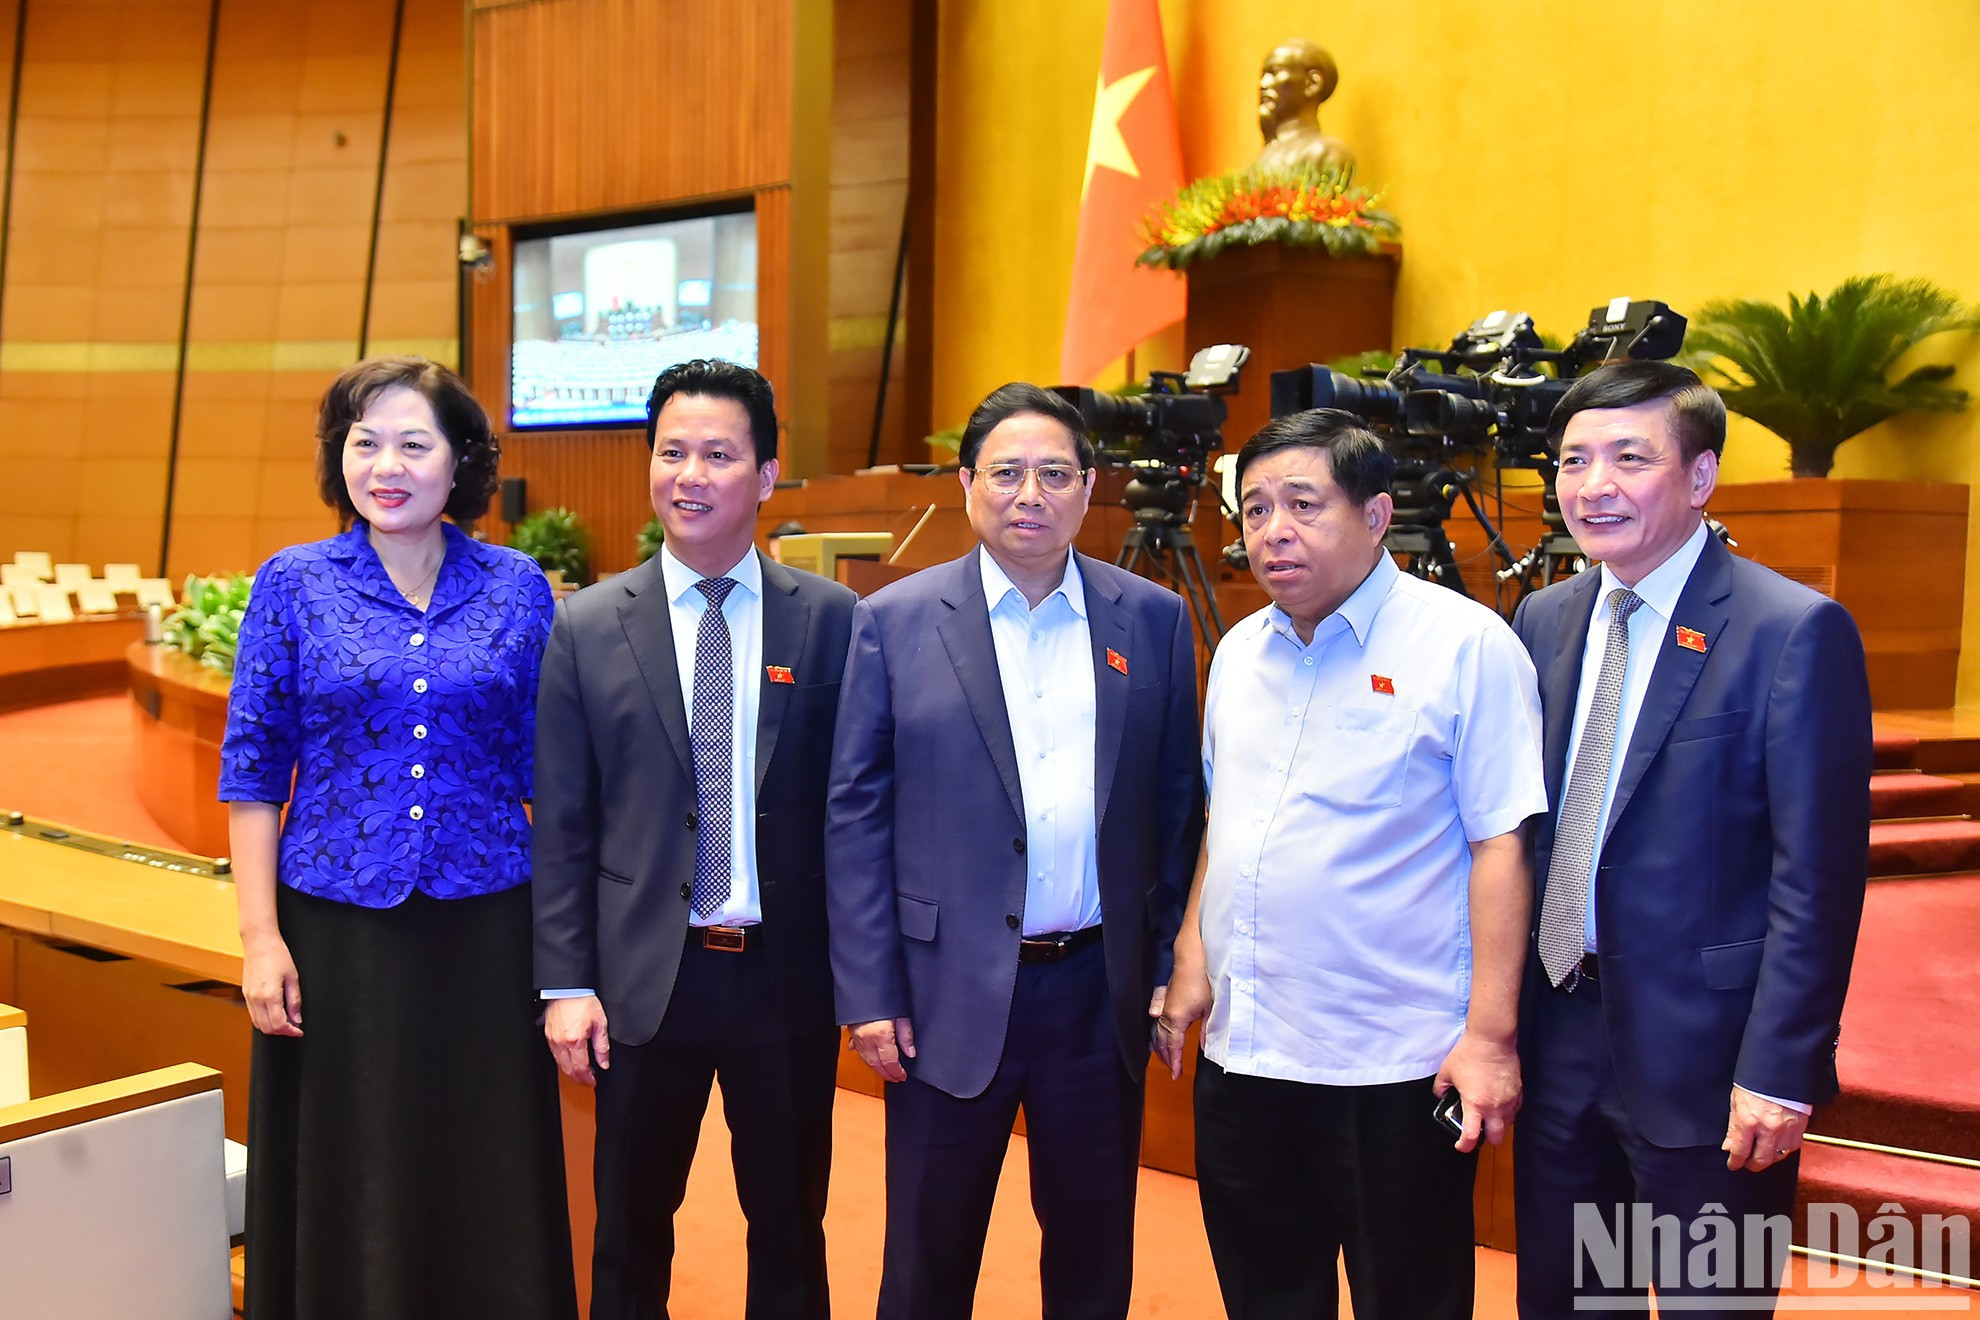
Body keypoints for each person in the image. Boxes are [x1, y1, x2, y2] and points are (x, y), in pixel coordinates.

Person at [1157, 409, 1546, 1319]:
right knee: (1266, 1297)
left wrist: (1490, 1036)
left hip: (1393, 1064)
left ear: (1376, 516)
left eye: (1303, 504)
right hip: (1246, 1055)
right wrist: (1189, 958)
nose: (1272, 531)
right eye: (1253, 510)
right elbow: (1229, 822)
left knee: (1408, 1301)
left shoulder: (1465, 645)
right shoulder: (1243, 651)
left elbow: (1501, 844)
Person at [827, 383, 1202, 1320]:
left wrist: (1163, 969)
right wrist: (869, 991)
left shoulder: (1150, 619)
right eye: (1006, 472)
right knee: (926, 1257)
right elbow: (855, 815)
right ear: (966, 485)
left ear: (1087, 490)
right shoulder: (895, 619)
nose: (1029, 493)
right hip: (941, 992)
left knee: (1089, 1256)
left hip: (1095, 992)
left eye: (1054, 473)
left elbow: (1175, 812)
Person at [1509, 361, 1872, 1315]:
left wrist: (1780, 1071)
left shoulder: (1791, 630)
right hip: (1561, 1033)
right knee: (1570, 1303)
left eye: (1630, 458)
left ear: (1702, 476)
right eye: (1574, 460)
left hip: (1710, 1065)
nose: (1594, 485)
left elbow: (1816, 882)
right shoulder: (1544, 618)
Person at [220, 356, 576, 1319]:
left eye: (415, 443)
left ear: (460, 460)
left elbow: (554, 772)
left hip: (488, 929)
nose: (387, 463)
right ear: (340, 460)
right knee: (353, 1160)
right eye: (365, 441)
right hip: (337, 933)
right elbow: (253, 772)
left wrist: (570, 957)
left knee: (482, 1157)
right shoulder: (292, 584)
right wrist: (261, 939)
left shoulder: (515, 587)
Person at [532, 358, 855, 1319]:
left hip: (784, 978)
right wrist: (567, 982)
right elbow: (563, 823)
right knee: (631, 1230)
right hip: (642, 980)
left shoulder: (835, 623)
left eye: (719, 454)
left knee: (792, 1226)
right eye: (672, 452)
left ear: (764, 476)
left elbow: (856, 811)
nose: (691, 474)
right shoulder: (587, 627)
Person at [1254, 38, 1355, 175]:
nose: (1263, 84)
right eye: (1263, 75)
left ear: (1312, 83)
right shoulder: (1262, 159)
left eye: (1275, 73)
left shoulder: (1325, 153)